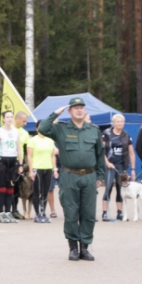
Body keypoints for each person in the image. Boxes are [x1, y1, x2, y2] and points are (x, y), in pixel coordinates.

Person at [35, 97, 103, 261]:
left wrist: (100, 176)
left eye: (81, 107)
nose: (79, 110)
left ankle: (84, 248)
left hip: (89, 176)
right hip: (69, 176)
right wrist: (55, 113)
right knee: (71, 212)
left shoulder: (93, 130)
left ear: (85, 110)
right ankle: (73, 247)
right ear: (70, 111)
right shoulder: (60, 128)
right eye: (75, 107)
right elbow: (43, 129)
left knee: (88, 213)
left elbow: (100, 154)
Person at [0, 110, 23, 224]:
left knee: (10, 188)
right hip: (2, 161)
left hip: (13, 161)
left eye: (11, 117)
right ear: (3, 119)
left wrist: (20, 164)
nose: (9, 119)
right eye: (7, 117)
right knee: (2, 188)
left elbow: (19, 148)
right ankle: (1, 213)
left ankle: (8, 212)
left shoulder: (16, 132)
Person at [101, 113, 133, 221]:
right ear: (113, 123)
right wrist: (107, 162)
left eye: (121, 122)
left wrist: (132, 169)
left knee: (121, 188)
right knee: (108, 187)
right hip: (109, 165)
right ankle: (104, 212)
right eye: (117, 122)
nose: (120, 123)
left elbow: (131, 153)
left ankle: (120, 212)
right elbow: (101, 151)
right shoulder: (107, 134)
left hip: (121, 165)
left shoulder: (126, 135)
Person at [28, 130, 58, 223]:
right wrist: (30, 170)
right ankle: (37, 214)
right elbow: (29, 156)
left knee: (45, 192)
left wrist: (54, 169)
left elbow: (52, 156)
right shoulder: (33, 140)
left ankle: (43, 213)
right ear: (37, 129)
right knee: (37, 191)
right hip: (37, 168)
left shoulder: (50, 140)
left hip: (48, 168)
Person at [12, 111, 33, 219]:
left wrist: (26, 164)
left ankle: (15, 210)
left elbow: (28, 150)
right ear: (18, 119)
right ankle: (2, 209)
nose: (25, 123)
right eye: (24, 121)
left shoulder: (24, 133)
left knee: (18, 187)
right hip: (8, 160)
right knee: (7, 186)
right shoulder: (9, 128)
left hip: (19, 162)